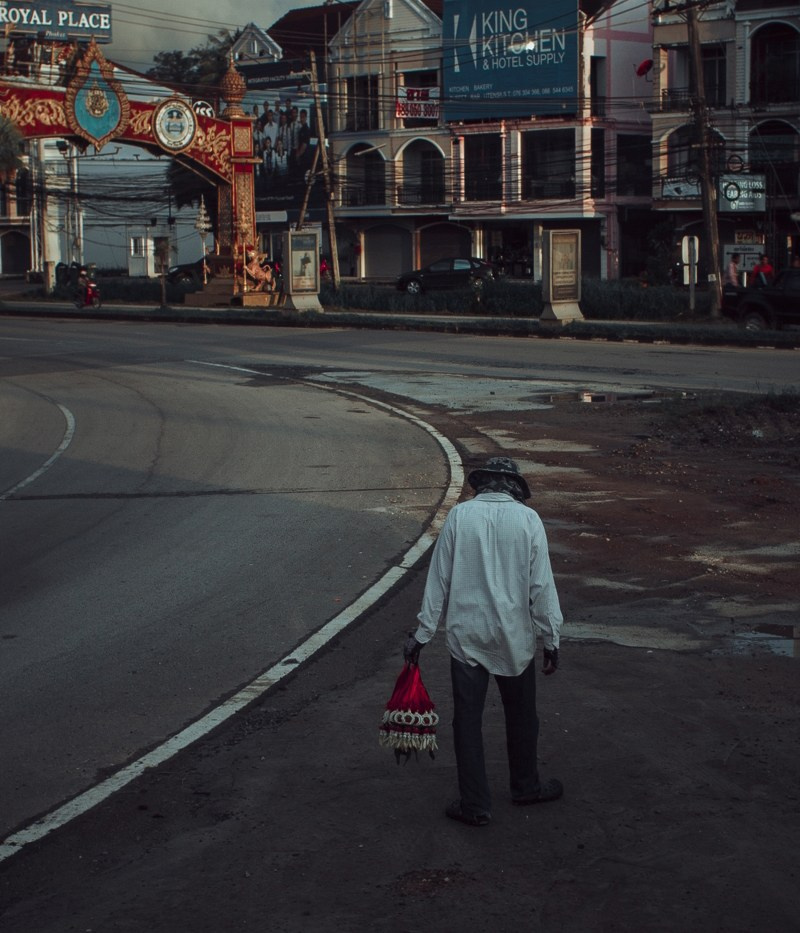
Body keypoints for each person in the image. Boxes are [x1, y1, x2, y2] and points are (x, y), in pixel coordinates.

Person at [404, 456, 563, 827]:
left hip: (467, 636)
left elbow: (438, 579)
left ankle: (475, 804)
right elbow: (541, 588)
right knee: (523, 717)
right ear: (514, 487)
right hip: (515, 638)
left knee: (467, 722)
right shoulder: (529, 521)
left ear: (484, 484)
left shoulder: (460, 517)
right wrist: (551, 640)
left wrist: (422, 635)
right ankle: (525, 787)